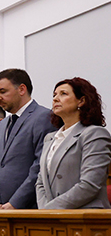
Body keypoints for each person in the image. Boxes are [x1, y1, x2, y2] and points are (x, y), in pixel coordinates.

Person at [36, 77, 111, 209]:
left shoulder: (94, 134)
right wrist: (44, 211)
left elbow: (90, 184)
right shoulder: (50, 138)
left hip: (86, 217)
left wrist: (50, 210)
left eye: (63, 94)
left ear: (81, 101)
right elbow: (41, 182)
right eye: (54, 95)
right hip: (52, 218)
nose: (55, 99)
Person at [0, 68, 56, 209]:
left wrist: (15, 203)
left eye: (2, 91)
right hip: (1, 208)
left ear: (21, 89)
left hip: (30, 206)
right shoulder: (2, 125)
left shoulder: (44, 117)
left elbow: (40, 165)